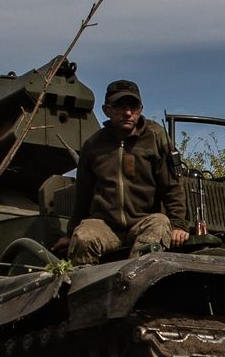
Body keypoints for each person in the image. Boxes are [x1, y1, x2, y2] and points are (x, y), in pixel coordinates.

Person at [65, 78, 198, 263]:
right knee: (83, 236)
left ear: (140, 109)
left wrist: (179, 225)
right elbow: (83, 195)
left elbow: (172, 185)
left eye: (133, 107)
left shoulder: (155, 137)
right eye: (120, 107)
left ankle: (136, 279)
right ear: (106, 110)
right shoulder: (93, 145)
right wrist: (70, 234)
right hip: (105, 226)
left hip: (143, 222)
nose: (128, 113)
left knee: (159, 224)